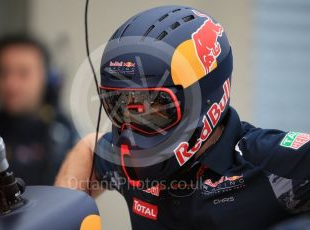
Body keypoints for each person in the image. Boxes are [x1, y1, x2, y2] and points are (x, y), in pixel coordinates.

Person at [55, 6, 310, 230]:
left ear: (207, 97)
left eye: (154, 106)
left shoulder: (267, 161)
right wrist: (63, 218)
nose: (131, 129)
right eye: (119, 105)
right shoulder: (128, 158)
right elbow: (89, 148)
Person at [0, 35, 78, 185]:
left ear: (47, 79)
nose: (11, 84)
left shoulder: (67, 136)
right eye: (3, 73)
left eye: (23, 73)